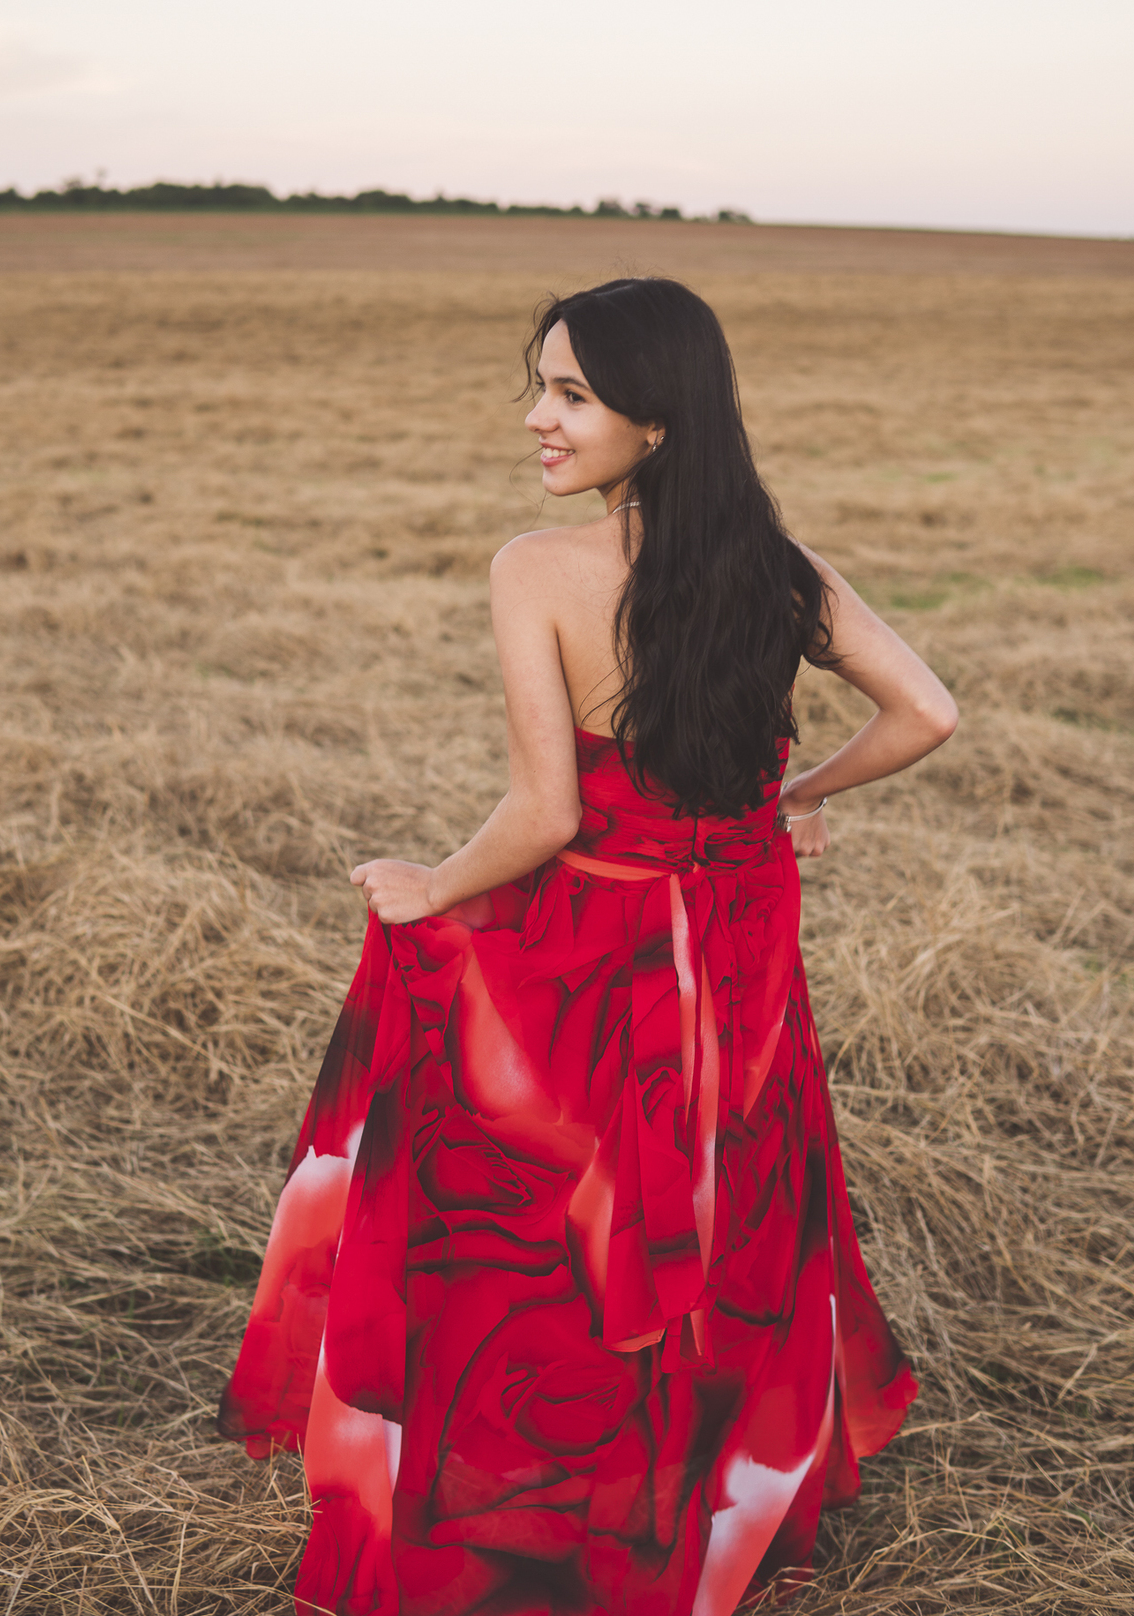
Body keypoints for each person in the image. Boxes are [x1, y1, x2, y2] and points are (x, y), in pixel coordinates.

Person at [218, 277, 958, 1616]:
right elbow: (928, 711)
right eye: (541, 388)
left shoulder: (537, 569)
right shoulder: (781, 569)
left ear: (656, 419)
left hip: (603, 943)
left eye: (570, 393)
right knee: (727, 1184)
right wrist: (793, 798)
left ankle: (563, 1498)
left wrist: (430, 886)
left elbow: (545, 814)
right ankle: (709, 1489)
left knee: (545, 1210)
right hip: (741, 940)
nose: (537, 419)